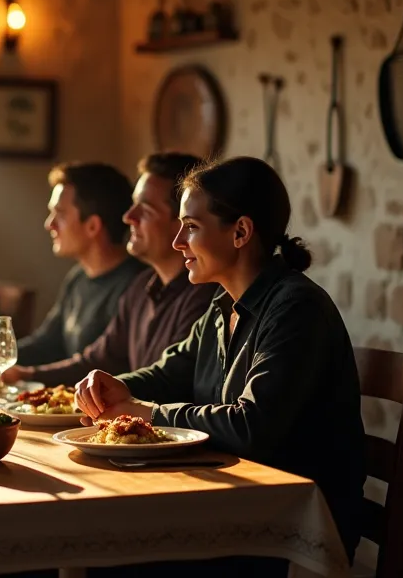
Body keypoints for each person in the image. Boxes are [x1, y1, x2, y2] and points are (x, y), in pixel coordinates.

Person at [75, 156, 366, 576]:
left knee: (107, 557)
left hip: (284, 526)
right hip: (235, 504)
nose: (178, 242)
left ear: (241, 232)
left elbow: (252, 426)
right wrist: (111, 387)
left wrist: (147, 412)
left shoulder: (295, 308)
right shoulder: (222, 305)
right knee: (101, 544)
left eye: (190, 227)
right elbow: (167, 373)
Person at [2, 153, 215, 387]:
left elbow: (170, 380)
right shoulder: (141, 287)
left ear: (182, 222)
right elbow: (98, 358)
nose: (128, 217)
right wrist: (26, 374)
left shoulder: (203, 295)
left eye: (146, 208)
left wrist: (112, 389)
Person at [13, 162, 145, 367]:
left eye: (60, 213)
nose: (49, 224)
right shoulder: (78, 277)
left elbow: (99, 365)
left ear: (93, 226)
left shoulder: (136, 285)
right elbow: (46, 344)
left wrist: (27, 374)